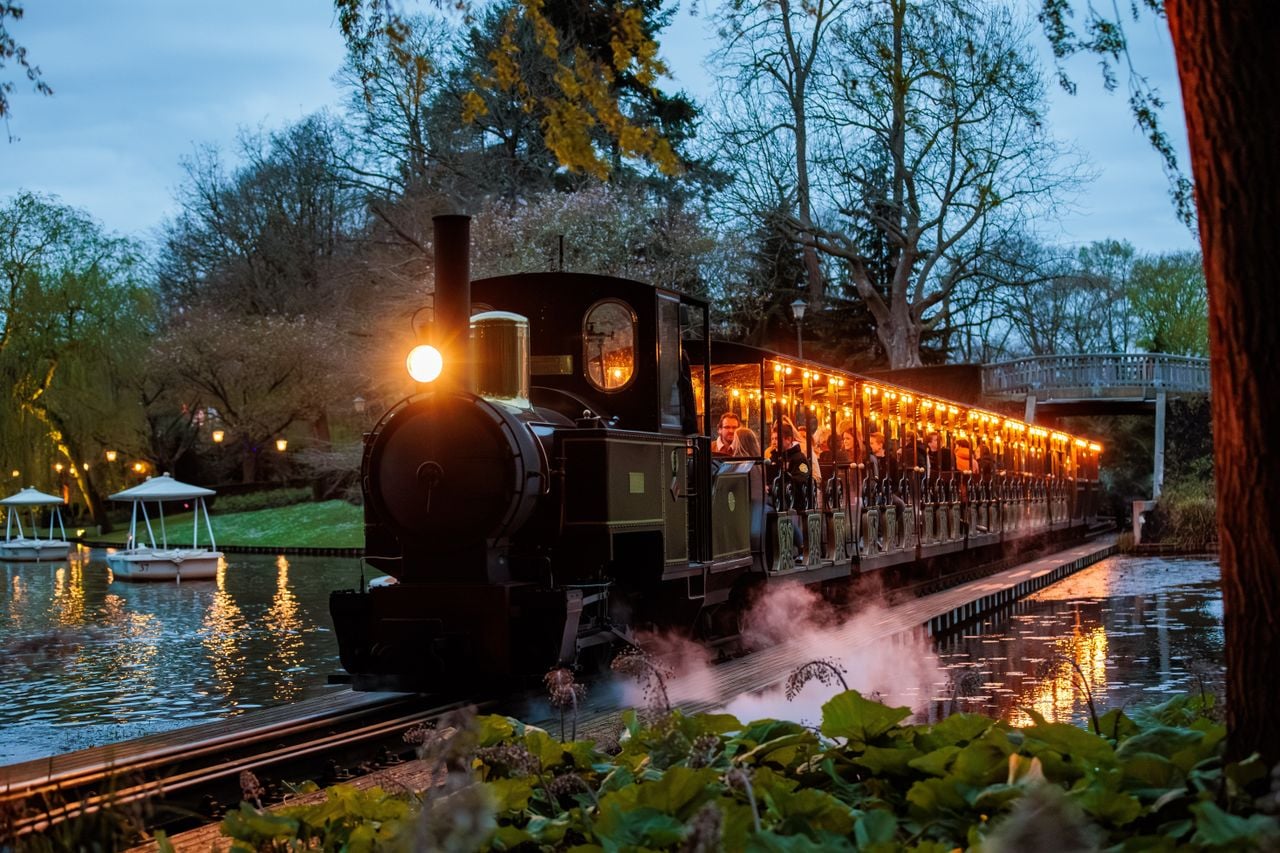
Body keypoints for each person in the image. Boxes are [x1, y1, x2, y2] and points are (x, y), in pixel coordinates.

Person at [768, 423, 813, 512]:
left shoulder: (799, 458)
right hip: (775, 500)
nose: (773, 442)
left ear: (788, 439)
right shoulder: (773, 458)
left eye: (777, 439)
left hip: (793, 504)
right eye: (772, 439)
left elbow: (800, 480)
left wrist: (773, 487)